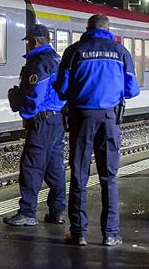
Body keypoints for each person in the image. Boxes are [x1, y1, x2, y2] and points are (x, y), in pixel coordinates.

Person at [54, 14, 139, 246]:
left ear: (88, 28)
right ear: (108, 29)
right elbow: (132, 89)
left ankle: (78, 233)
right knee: (108, 176)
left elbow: (61, 89)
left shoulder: (74, 52)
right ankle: (110, 234)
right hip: (110, 119)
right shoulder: (120, 52)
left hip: (81, 117)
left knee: (80, 174)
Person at [4, 24, 67, 227]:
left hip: (41, 122)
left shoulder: (39, 62)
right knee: (54, 167)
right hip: (57, 120)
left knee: (30, 167)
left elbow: (35, 95)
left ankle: (27, 212)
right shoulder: (58, 59)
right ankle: (57, 212)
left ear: (33, 42)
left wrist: (25, 111)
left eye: (28, 42)